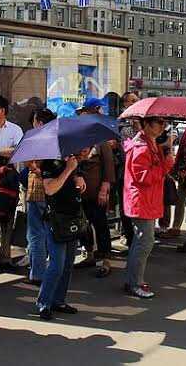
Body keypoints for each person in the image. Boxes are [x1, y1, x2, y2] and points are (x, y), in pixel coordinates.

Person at [123, 117, 175, 298]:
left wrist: (165, 153)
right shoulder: (141, 147)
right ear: (146, 124)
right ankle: (134, 283)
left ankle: (134, 280)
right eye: (159, 122)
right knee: (144, 242)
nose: (163, 126)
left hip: (146, 200)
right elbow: (143, 176)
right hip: (142, 200)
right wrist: (166, 164)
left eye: (163, 123)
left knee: (142, 242)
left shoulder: (148, 143)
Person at [37, 152, 87, 320]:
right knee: (56, 264)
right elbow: (50, 189)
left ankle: (59, 300)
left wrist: (78, 179)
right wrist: (68, 170)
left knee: (68, 263)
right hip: (56, 218)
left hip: (73, 216)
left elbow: (76, 183)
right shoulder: (50, 163)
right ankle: (44, 302)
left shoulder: (74, 161)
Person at [0, 95, 24, 272]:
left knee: (8, 217)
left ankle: (5, 257)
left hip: (9, 177)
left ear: (2, 110)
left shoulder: (14, 129)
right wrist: (0, 153)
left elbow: (20, 151)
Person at [76, 99, 115, 276]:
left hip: (96, 191)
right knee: (82, 225)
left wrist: (104, 188)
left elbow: (108, 165)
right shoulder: (76, 138)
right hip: (79, 192)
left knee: (100, 225)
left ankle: (105, 259)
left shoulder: (101, 138)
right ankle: (89, 253)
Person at [24, 108, 57, 285]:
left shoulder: (36, 139)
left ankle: (37, 273)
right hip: (53, 191)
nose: (33, 124)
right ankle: (52, 268)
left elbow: (30, 163)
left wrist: (34, 167)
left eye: (35, 121)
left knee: (36, 234)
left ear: (40, 123)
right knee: (50, 232)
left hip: (37, 190)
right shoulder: (57, 139)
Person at [117, 91, 141, 247]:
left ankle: (138, 237)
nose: (134, 103)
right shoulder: (119, 122)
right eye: (132, 101)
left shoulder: (141, 122)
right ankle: (128, 235)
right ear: (125, 104)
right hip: (123, 169)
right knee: (125, 204)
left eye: (136, 101)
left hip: (138, 170)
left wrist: (139, 126)